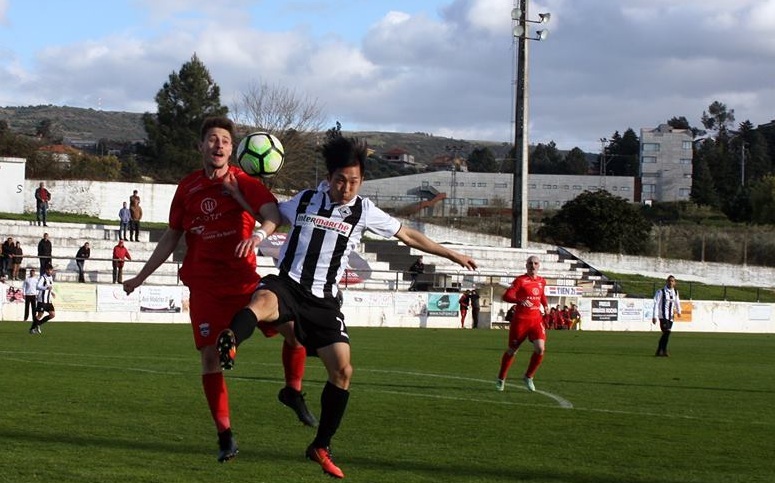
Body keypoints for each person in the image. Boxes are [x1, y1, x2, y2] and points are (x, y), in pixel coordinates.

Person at [216, 135, 478, 479]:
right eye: (340, 180)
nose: (346, 187)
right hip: (290, 284)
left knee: (343, 371)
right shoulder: (307, 200)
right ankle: (231, 340)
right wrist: (239, 196)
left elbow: (410, 236)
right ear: (329, 178)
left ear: (362, 180)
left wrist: (452, 254)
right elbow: (271, 216)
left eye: (354, 181)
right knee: (261, 302)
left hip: (324, 302)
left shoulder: (364, 211)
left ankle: (320, 445)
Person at [123, 116, 314, 465]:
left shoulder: (243, 181)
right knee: (210, 359)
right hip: (206, 286)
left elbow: (272, 215)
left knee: (295, 332)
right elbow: (172, 235)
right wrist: (140, 276)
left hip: (243, 281)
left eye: (225, 140)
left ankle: (293, 390)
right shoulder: (187, 188)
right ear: (201, 146)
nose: (219, 145)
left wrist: (256, 231)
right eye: (212, 139)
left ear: (233, 148)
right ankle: (225, 436)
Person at [496, 255, 549, 393]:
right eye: (530, 263)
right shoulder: (520, 280)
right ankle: (501, 378)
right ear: (526, 265)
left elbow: (541, 295)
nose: (533, 265)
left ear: (539, 265)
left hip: (536, 320)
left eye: (536, 263)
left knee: (540, 349)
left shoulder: (542, 281)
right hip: (521, 321)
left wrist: (546, 305)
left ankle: (528, 376)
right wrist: (520, 300)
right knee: (512, 350)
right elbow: (507, 296)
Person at [652, 275, 681, 357]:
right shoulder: (661, 291)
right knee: (667, 332)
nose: (671, 282)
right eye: (669, 281)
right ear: (666, 281)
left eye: (672, 281)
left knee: (667, 334)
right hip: (663, 316)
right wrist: (654, 316)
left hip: (671, 317)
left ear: (675, 283)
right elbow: (656, 303)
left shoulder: (675, 292)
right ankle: (663, 350)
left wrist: (679, 311)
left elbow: (677, 302)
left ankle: (660, 351)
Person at [29, 264, 55, 334]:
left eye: (50, 270)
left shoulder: (51, 278)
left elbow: (49, 287)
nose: (49, 271)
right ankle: (32, 329)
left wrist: (52, 292)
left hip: (48, 300)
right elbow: (37, 287)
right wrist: (46, 288)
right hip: (42, 300)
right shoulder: (43, 277)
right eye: (48, 270)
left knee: (52, 314)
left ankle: (38, 324)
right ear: (46, 270)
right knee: (39, 315)